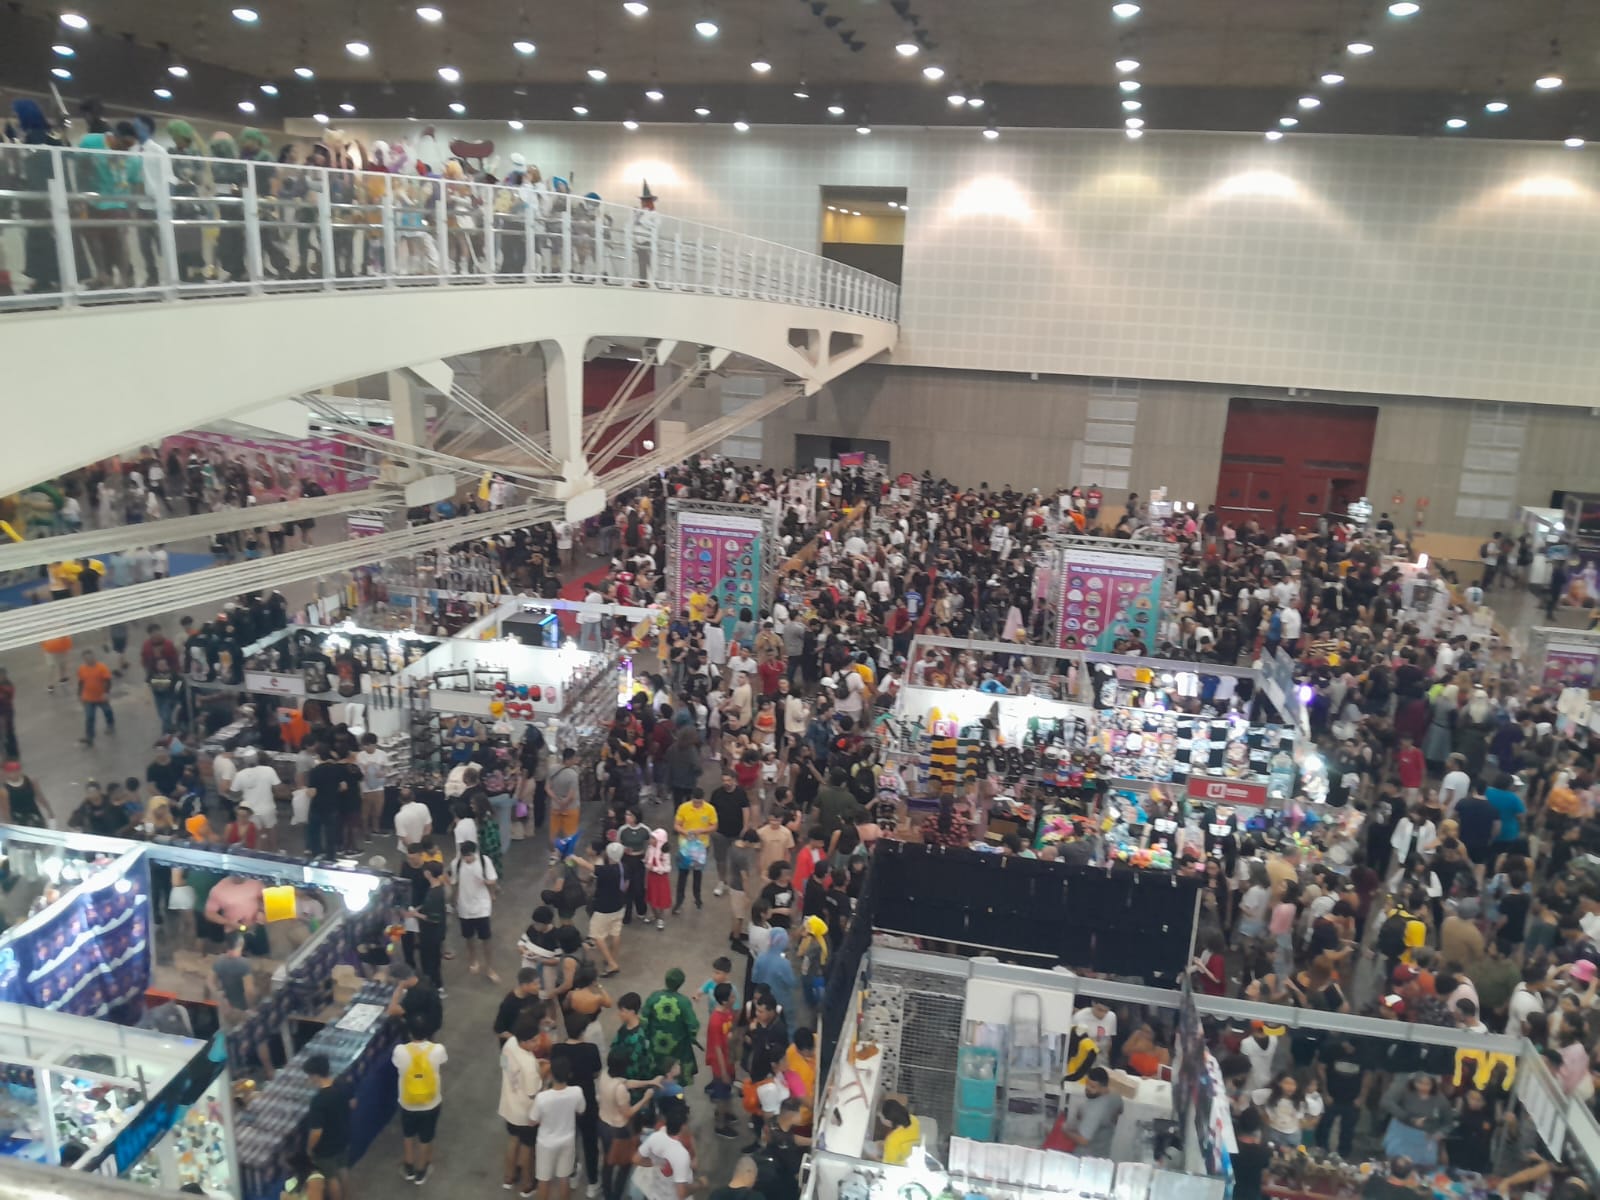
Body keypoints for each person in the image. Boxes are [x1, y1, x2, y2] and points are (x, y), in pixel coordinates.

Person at [549, 1012, 604, 1198]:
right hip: (586, 1100)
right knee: (590, 1142)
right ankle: (593, 1182)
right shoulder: (591, 1049)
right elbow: (596, 1072)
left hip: (564, 1102)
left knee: (569, 1139)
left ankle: (572, 1173)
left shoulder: (557, 1049)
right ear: (583, 1031)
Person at [393, 1014, 448, 1183]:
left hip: (408, 1103)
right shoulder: (438, 1049)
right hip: (430, 1103)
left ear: (410, 1032)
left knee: (408, 1135)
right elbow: (442, 1062)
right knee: (426, 1137)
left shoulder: (400, 1051)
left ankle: (408, 1167)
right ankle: (422, 1171)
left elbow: (396, 1064)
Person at [530, 1056, 587, 1200]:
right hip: (567, 1140)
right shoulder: (577, 1092)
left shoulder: (542, 1098)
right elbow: (581, 1111)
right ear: (569, 1074)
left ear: (551, 1074)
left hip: (546, 1143)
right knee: (564, 1178)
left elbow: (532, 1120)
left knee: (544, 1180)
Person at [500, 1017, 545, 1195]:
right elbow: (533, 1093)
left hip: (509, 1105)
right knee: (527, 1147)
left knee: (513, 1140)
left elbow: (504, 1064)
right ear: (524, 1042)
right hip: (526, 1113)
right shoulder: (529, 1064)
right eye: (533, 1040)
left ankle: (509, 1177)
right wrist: (543, 1072)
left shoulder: (510, 1044)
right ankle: (527, 1183)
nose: (538, 1043)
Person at [449, 840, 500, 983]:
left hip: (482, 907)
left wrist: (486, 883)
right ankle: (473, 960)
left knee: (486, 939)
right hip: (464, 907)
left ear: (475, 852)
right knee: (469, 937)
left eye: (469, 856)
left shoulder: (484, 861)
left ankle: (489, 967)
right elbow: (454, 883)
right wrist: (453, 901)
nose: (467, 859)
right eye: (465, 856)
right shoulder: (456, 864)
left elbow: (493, 880)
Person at [304, 1054, 351, 1200]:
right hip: (343, 1138)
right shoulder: (341, 1086)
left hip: (326, 1147)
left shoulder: (318, 1101)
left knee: (331, 1178)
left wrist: (309, 1148)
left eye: (309, 1076)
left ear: (315, 1076)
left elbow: (316, 1132)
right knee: (343, 1169)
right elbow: (353, 1104)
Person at [642, 968, 700, 1084]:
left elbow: (643, 1019)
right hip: (678, 1047)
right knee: (676, 1072)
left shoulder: (654, 996)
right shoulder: (683, 1002)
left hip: (657, 1044)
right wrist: (691, 1038)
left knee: (656, 1072)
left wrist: (648, 1035)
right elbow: (693, 1025)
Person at [673, 789, 716, 913]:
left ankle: (698, 899)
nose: (697, 805)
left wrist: (701, 831)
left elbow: (714, 826)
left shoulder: (709, 809)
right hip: (685, 847)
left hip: (701, 847)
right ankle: (679, 902)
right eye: (695, 802)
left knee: (698, 874)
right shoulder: (684, 808)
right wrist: (686, 832)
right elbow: (676, 825)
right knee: (682, 874)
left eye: (699, 802)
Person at [209, 932, 256, 1024]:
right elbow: (249, 991)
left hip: (225, 1009)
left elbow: (210, 981)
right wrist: (251, 1008)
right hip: (241, 1010)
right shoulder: (244, 964)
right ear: (240, 944)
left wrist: (219, 996)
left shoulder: (220, 960)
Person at [752, 927, 799, 1016]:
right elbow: (791, 983)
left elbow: (754, 978)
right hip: (780, 999)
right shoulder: (784, 963)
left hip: (763, 997)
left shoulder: (760, 957)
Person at [356, 732, 390, 841]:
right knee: (365, 811)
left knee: (378, 810)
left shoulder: (382, 754)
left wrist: (383, 772)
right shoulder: (360, 755)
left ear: (374, 745)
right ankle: (365, 831)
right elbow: (358, 772)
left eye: (367, 745)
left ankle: (376, 829)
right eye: (364, 745)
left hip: (379, 786)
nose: (365, 747)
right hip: (366, 787)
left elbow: (386, 768)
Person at [548, 749, 582, 857]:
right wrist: (564, 803)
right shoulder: (573, 774)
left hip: (555, 807)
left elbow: (547, 788)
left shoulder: (552, 769)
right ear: (570, 759)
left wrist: (557, 800)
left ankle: (554, 853)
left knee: (554, 832)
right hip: (571, 808)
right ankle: (568, 855)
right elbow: (571, 795)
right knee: (570, 833)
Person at [77, 649, 115, 746]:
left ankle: (110, 724)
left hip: (101, 696)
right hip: (88, 698)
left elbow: (108, 681)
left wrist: (106, 692)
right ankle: (89, 737)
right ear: (84, 659)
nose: (88, 659)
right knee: (89, 717)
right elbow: (81, 682)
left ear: (94, 657)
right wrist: (79, 694)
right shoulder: (82, 669)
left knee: (107, 711)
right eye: (86, 658)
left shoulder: (102, 667)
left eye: (90, 657)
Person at [1, 760, 54, 827]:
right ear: (6, 773)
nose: (14, 773)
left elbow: (40, 797)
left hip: (35, 814)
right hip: (18, 819)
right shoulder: (4, 791)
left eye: (17, 770)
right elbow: (5, 811)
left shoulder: (30, 781)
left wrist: (49, 811)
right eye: (11, 772)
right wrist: (10, 825)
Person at [878, 1098, 922, 1166]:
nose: (879, 1117)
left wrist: (873, 1158)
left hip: (903, 1167)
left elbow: (888, 1167)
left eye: (881, 1116)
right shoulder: (913, 1119)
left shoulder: (892, 1140)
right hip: (915, 1157)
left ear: (888, 1121)